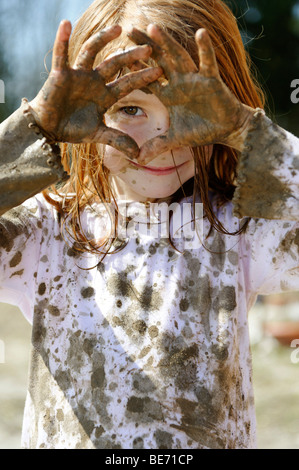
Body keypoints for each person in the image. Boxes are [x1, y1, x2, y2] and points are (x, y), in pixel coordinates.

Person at [0, 0, 298, 450]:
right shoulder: (47, 231)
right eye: (130, 109)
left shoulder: (238, 230)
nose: (161, 141)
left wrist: (243, 129)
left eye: (187, 107)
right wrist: (35, 127)